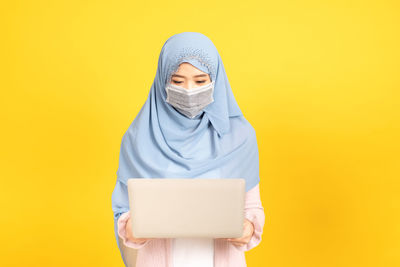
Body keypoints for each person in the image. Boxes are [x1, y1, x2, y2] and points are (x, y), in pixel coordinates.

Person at [111, 32, 265, 267]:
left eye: (200, 81)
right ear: (163, 80)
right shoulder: (138, 139)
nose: (189, 90)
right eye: (177, 81)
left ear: (215, 80)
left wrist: (247, 228)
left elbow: (253, 210)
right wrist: (132, 229)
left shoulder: (239, 137)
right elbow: (123, 214)